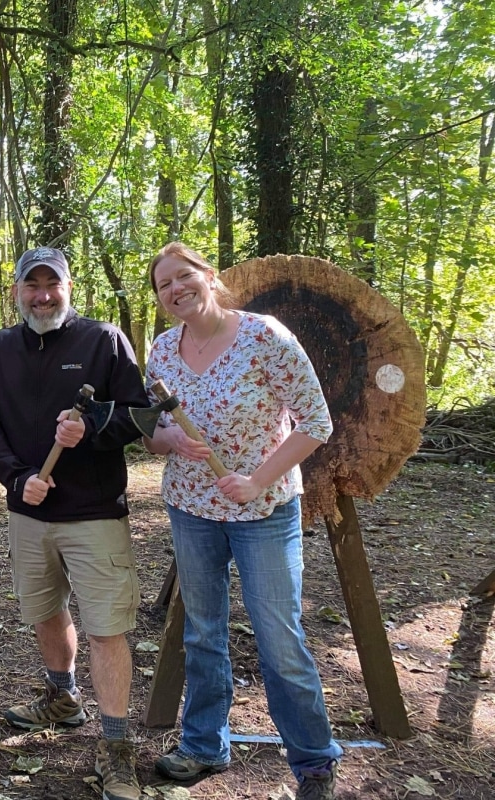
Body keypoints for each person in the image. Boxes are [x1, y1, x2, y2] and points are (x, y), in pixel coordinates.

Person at [143, 242, 342, 800]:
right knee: (204, 633)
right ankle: (205, 745)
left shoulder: (264, 335)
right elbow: (150, 431)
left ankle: (313, 762)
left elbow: (316, 421)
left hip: (264, 510)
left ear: (209, 276)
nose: (177, 289)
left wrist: (256, 478)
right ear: (160, 298)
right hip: (191, 509)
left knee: (279, 639)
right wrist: (169, 439)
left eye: (185, 276)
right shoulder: (161, 351)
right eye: (165, 285)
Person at [0, 247, 150, 800]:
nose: (43, 295)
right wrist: (15, 476)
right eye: (33, 285)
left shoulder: (103, 340)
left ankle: (117, 749)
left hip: (93, 512)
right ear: (16, 291)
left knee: (105, 627)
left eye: (53, 284)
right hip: (29, 511)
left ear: (70, 286)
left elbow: (138, 414)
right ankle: (62, 697)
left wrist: (93, 424)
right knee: (44, 609)